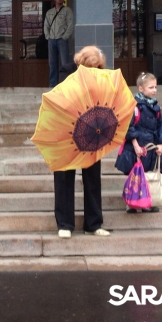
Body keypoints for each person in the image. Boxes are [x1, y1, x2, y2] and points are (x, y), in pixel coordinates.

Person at [54, 45, 110, 239]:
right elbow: (65, 98)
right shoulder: (67, 71)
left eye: (98, 68)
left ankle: (93, 224)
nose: (95, 71)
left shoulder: (101, 76)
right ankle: (65, 224)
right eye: (92, 67)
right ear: (82, 63)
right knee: (64, 178)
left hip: (92, 131)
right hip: (67, 131)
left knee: (93, 178)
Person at [116, 71, 162, 213]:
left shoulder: (155, 107)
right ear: (141, 89)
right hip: (136, 146)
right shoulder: (134, 106)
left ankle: (148, 200)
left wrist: (161, 143)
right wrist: (135, 145)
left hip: (150, 146)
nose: (154, 90)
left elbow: (160, 127)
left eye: (155, 87)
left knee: (148, 173)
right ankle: (132, 201)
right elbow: (129, 126)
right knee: (135, 174)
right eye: (151, 87)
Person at [44, 0, 73, 87]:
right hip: (51, 40)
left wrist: (64, 37)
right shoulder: (49, 12)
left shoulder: (67, 11)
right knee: (52, 64)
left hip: (61, 40)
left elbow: (70, 25)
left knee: (64, 64)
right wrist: (48, 37)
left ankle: (65, 85)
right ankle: (52, 85)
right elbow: (46, 25)